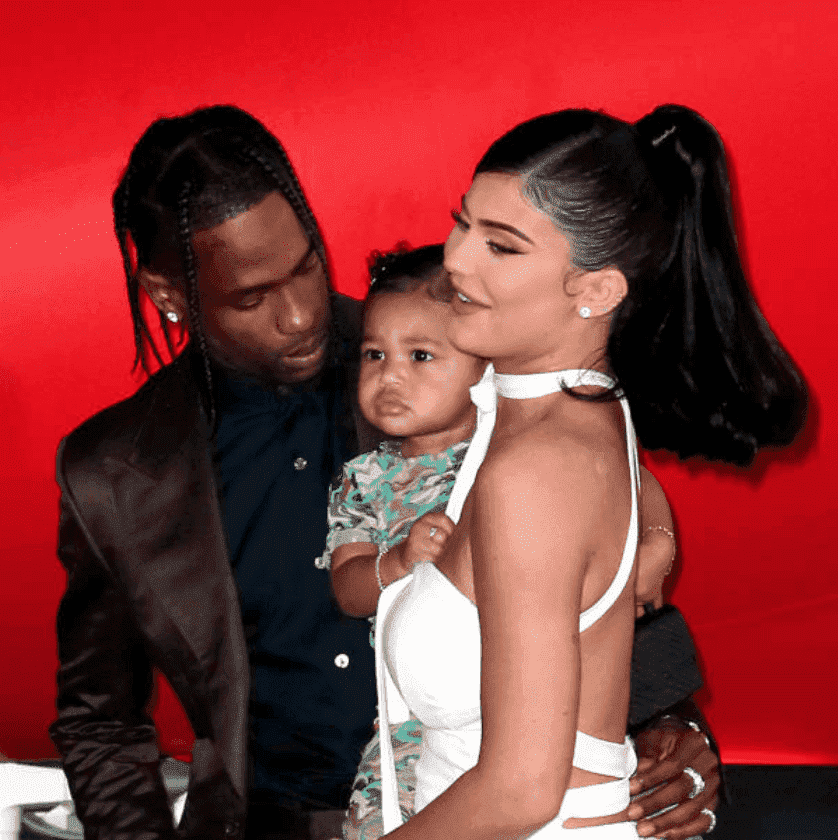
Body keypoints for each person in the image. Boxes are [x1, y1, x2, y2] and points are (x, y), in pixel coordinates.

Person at [49, 105, 723, 840]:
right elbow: (100, 722)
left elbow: (584, 553)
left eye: (305, 265)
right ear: (171, 296)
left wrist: (668, 723)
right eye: (253, 297)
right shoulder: (113, 473)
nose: (301, 315)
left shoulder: (446, 348)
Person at [369, 106, 807, 839]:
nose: (455, 259)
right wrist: (656, 534)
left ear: (597, 291)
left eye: (502, 247)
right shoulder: (570, 411)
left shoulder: (534, 470)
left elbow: (521, 790)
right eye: (462, 221)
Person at [319, 246, 684, 840]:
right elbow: (348, 586)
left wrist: (657, 542)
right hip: (413, 726)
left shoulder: (519, 448)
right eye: (373, 355)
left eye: (420, 356)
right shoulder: (365, 479)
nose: (390, 376)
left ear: (483, 365)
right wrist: (397, 560)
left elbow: (634, 477)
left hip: (543, 719)